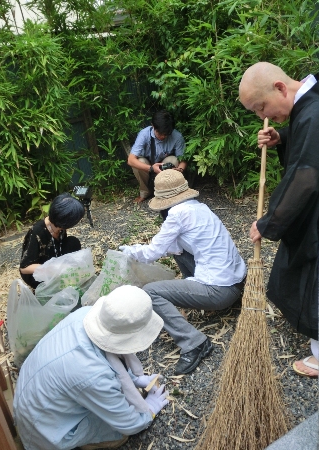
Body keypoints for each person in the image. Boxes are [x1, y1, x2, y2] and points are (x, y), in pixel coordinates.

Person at [120, 170, 247, 375]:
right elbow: (172, 247)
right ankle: (196, 299)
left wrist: (130, 251)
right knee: (177, 250)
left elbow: (152, 253)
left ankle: (194, 343)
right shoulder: (199, 207)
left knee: (151, 292)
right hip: (237, 282)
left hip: (219, 291)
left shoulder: (177, 214)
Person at [13, 285, 169, 450]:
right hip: (45, 433)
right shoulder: (93, 376)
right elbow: (129, 423)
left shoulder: (85, 314)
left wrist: (135, 379)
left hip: (31, 402)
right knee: (120, 433)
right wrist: (149, 409)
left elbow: (108, 353)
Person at [239, 62, 319, 377]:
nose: (263, 117)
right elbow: (308, 145)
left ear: (280, 88)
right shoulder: (309, 104)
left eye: (261, 108)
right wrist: (283, 139)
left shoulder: (312, 114)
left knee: (314, 272)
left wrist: (269, 223)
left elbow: (306, 177)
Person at [20, 193, 85, 289]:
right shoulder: (37, 232)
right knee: (55, 285)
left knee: (73, 242)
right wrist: (52, 269)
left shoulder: (60, 227)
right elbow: (24, 268)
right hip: (39, 270)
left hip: (54, 260)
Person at [128, 110, 188, 203]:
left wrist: (180, 170)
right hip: (148, 167)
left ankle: (169, 192)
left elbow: (182, 160)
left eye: (166, 134)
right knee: (140, 162)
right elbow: (131, 160)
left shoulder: (177, 136)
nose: (163, 137)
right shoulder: (144, 134)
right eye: (160, 133)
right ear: (153, 126)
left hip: (164, 166)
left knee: (174, 160)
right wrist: (151, 168)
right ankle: (145, 192)